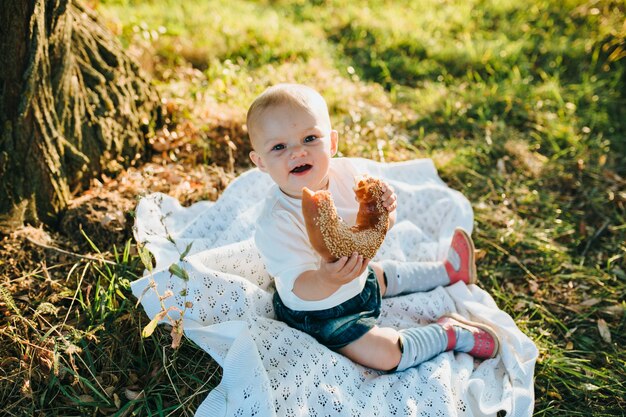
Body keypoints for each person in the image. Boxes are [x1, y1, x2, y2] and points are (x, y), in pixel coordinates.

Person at [248, 83, 499, 372]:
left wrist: (387, 212)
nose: (297, 152)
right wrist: (326, 279)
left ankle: (448, 271)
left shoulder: (349, 175)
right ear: (261, 162)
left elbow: (375, 229)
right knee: (385, 355)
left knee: (379, 275)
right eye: (279, 146)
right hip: (320, 313)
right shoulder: (275, 221)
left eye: (310, 138)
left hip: (359, 277)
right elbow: (296, 283)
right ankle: (449, 333)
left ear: (331, 143)